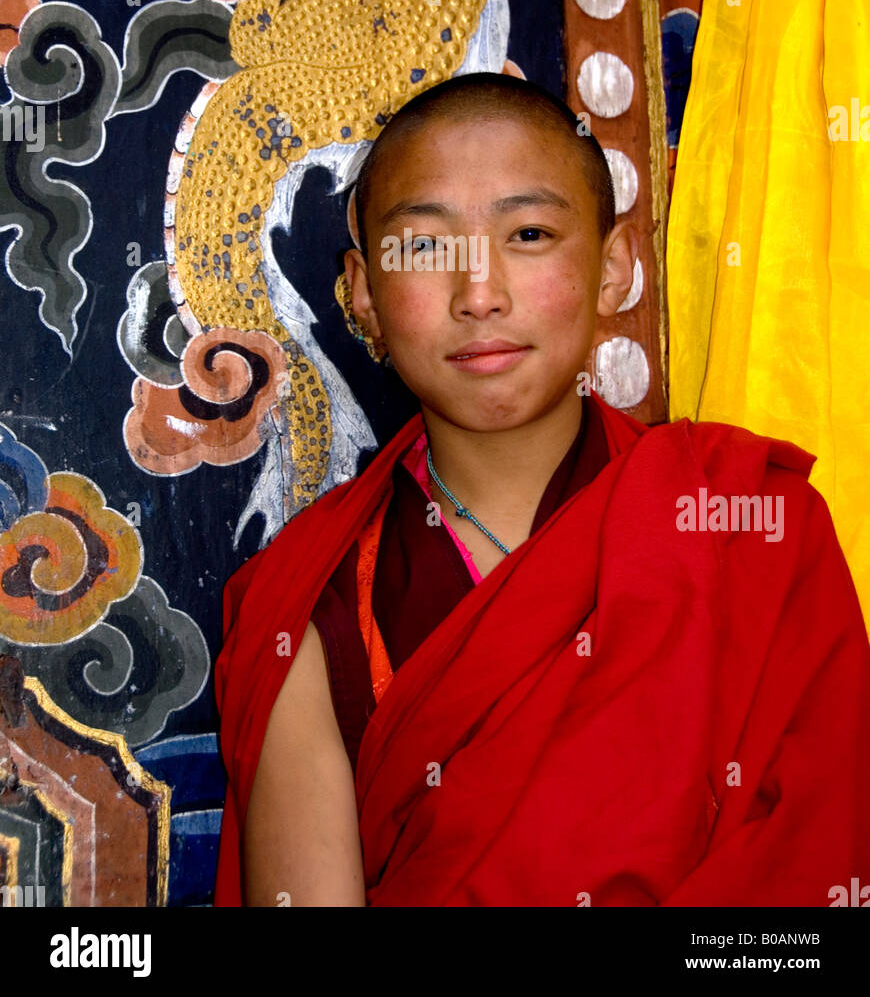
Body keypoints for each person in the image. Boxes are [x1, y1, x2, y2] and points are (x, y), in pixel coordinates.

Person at [214, 72, 870, 907]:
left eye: (528, 234)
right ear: (364, 293)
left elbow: (814, 867)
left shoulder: (747, 523)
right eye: (425, 248)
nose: (480, 295)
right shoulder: (311, 599)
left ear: (615, 267)